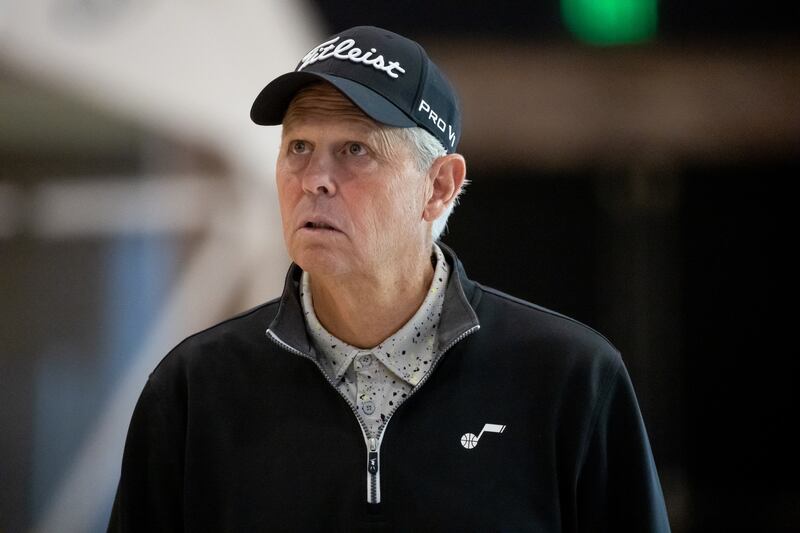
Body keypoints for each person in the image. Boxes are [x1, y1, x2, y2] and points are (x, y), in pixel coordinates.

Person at [108, 25, 671, 532]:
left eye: (355, 150)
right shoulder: (194, 391)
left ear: (439, 187)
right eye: (299, 147)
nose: (315, 180)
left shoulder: (570, 379)